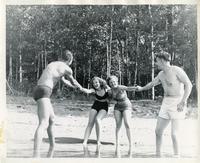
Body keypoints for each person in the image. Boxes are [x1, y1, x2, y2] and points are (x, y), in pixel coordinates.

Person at [136, 51, 192, 157]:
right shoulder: (161, 74)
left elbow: (189, 84)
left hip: (178, 102)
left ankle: (177, 156)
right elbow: (152, 83)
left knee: (174, 134)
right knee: (158, 131)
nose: (156, 63)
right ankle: (158, 155)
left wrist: (183, 101)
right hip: (166, 103)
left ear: (162, 60)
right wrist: (141, 88)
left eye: (156, 61)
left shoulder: (176, 70)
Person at [33, 50, 81, 158]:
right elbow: (73, 81)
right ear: (70, 60)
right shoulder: (67, 68)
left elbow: (64, 81)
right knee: (43, 123)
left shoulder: (53, 64)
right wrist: (82, 88)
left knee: (52, 119)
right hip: (44, 90)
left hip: (39, 89)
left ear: (60, 58)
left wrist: (74, 87)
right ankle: (35, 154)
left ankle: (52, 147)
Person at [78, 77, 110, 157]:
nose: (95, 84)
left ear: (100, 82)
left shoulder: (106, 88)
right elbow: (87, 91)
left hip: (104, 106)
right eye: (94, 83)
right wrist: (80, 87)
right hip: (96, 105)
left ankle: (98, 141)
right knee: (90, 123)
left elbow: (113, 93)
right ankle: (85, 141)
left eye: (96, 82)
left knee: (98, 120)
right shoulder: (94, 90)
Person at [107, 75, 137, 158]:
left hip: (126, 105)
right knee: (118, 125)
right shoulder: (110, 91)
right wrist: (113, 102)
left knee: (127, 124)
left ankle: (131, 143)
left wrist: (136, 88)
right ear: (109, 84)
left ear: (116, 81)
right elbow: (110, 100)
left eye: (114, 82)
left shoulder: (121, 87)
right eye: (111, 83)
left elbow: (128, 88)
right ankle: (117, 143)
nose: (113, 83)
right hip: (117, 107)